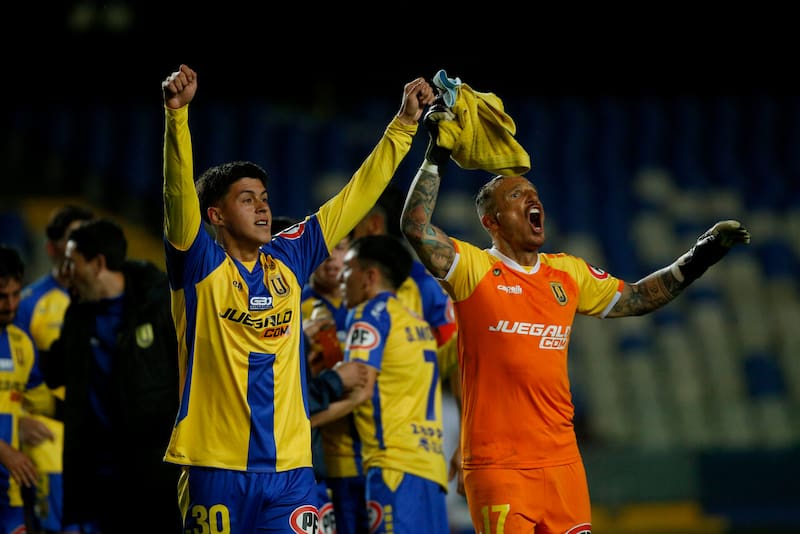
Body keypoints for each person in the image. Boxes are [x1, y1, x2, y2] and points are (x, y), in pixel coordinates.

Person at [400, 85, 752, 533]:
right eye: (516, 196)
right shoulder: (475, 268)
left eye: (534, 194)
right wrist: (436, 155)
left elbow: (637, 297)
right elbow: (415, 227)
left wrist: (699, 256)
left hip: (563, 462)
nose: (532, 200)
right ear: (490, 222)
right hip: (499, 467)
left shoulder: (567, 273)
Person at [160, 64, 435, 532]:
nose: (263, 206)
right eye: (247, 199)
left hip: (292, 470)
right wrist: (177, 118)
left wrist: (403, 126)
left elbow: (354, 196)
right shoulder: (198, 265)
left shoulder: (290, 258)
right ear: (216, 216)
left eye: (264, 197)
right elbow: (176, 198)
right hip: (214, 465)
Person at [319, 186, 458, 534]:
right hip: (431, 467)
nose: (342, 277)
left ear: (369, 277)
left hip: (392, 466)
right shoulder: (416, 323)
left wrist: (300, 422)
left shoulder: (370, 314)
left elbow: (360, 389)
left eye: (348, 269)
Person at [41, 218, 181, 533]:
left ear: (98, 264)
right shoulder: (77, 315)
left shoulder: (160, 306)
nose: (65, 273)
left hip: (155, 472)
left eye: (72, 262)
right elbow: (57, 370)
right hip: (98, 474)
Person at [13, 203, 93, 534]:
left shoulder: (110, 298)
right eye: (74, 237)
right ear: (52, 248)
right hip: (50, 441)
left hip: (99, 437)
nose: (83, 246)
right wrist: (18, 423)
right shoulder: (28, 303)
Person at [0, 245, 55, 534]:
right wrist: (4, 451)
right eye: (1, 297)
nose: (10, 305)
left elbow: (41, 401)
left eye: (14, 295)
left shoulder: (22, 344)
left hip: (9, 491)